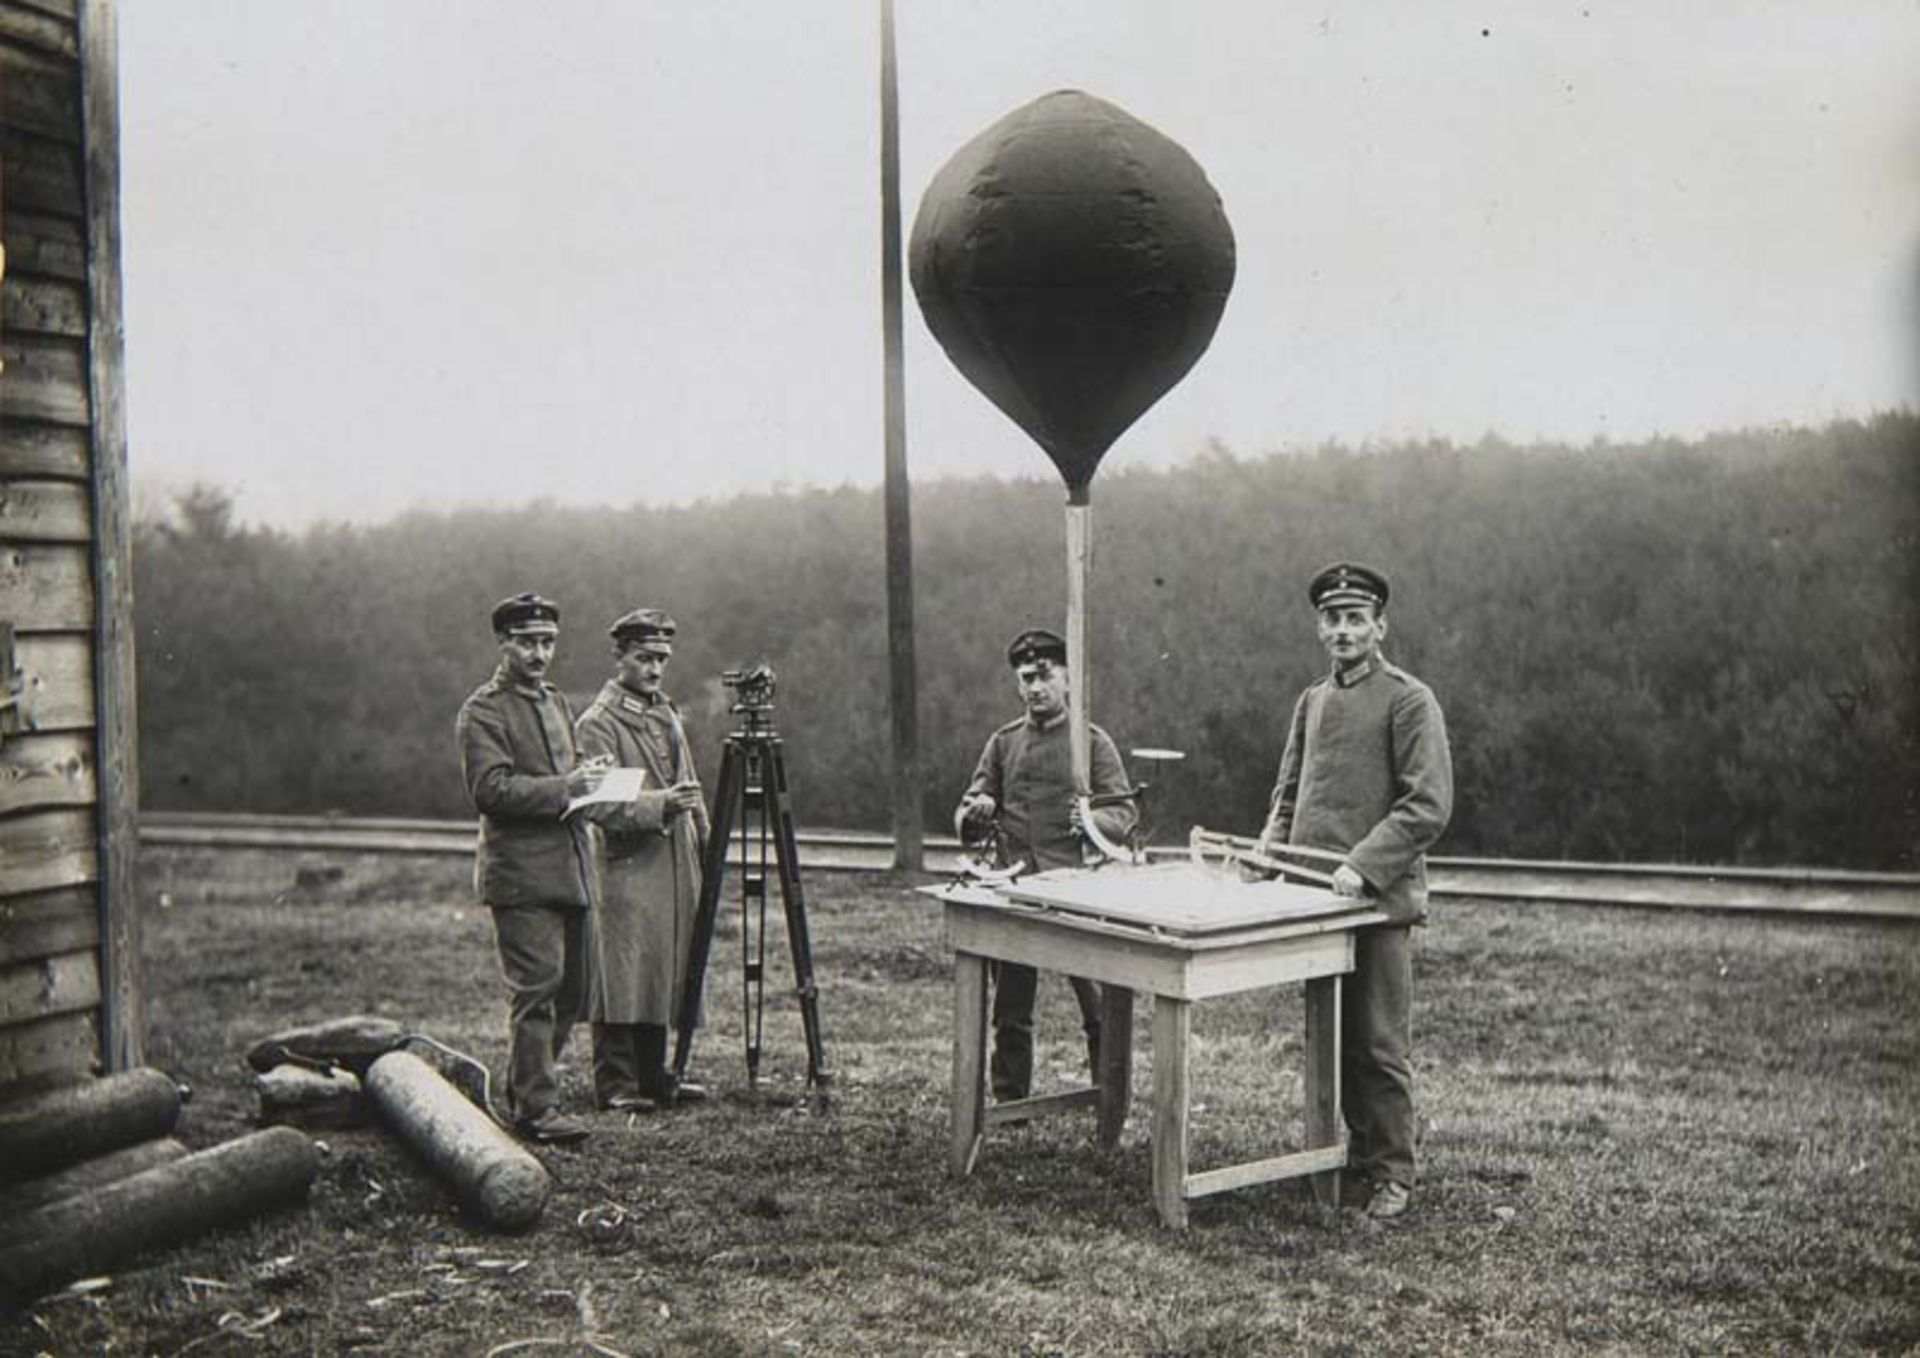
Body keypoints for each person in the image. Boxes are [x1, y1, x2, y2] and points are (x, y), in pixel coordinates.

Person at [1256, 562, 1453, 1221]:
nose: (1342, 630)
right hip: (1313, 899)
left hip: (1376, 901)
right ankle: (1352, 1158)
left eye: (1354, 619)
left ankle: (1393, 1171)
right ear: (1320, 628)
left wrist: (1364, 867)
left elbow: (1427, 805)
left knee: (1376, 1041)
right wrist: (1267, 852)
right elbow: (1289, 793)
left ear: (1380, 627)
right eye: (1332, 620)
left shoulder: (1408, 699)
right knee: (1332, 1041)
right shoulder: (1312, 700)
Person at [954, 627, 1137, 1104]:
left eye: (1043, 675)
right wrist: (976, 812)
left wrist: (1094, 820)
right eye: (1024, 678)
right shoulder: (1003, 743)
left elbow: (1124, 813)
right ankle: (1012, 1104)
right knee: (1011, 1009)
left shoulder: (1093, 743)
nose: (1034, 686)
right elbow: (968, 811)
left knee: (1098, 1003)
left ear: (1068, 679)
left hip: (1079, 889)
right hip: (1017, 888)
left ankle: (1108, 1097)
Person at [456, 591, 607, 1144]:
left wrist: (590, 774)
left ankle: (527, 1092)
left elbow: (559, 772)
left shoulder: (556, 702)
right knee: (537, 989)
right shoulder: (484, 710)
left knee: (574, 993)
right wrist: (566, 786)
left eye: (547, 643)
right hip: (520, 875)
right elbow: (490, 790)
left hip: (570, 867)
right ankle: (534, 1109)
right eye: (527, 643)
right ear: (504, 644)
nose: (540, 653)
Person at [574, 608, 711, 1111]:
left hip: (674, 863)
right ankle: (616, 1082)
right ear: (620, 658)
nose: (654, 668)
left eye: (662, 659)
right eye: (644, 657)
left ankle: (655, 1076)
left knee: (661, 965)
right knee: (621, 969)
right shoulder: (598, 723)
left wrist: (703, 841)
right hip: (627, 865)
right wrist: (661, 805)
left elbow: (691, 787)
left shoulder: (665, 713)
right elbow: (601, 805)